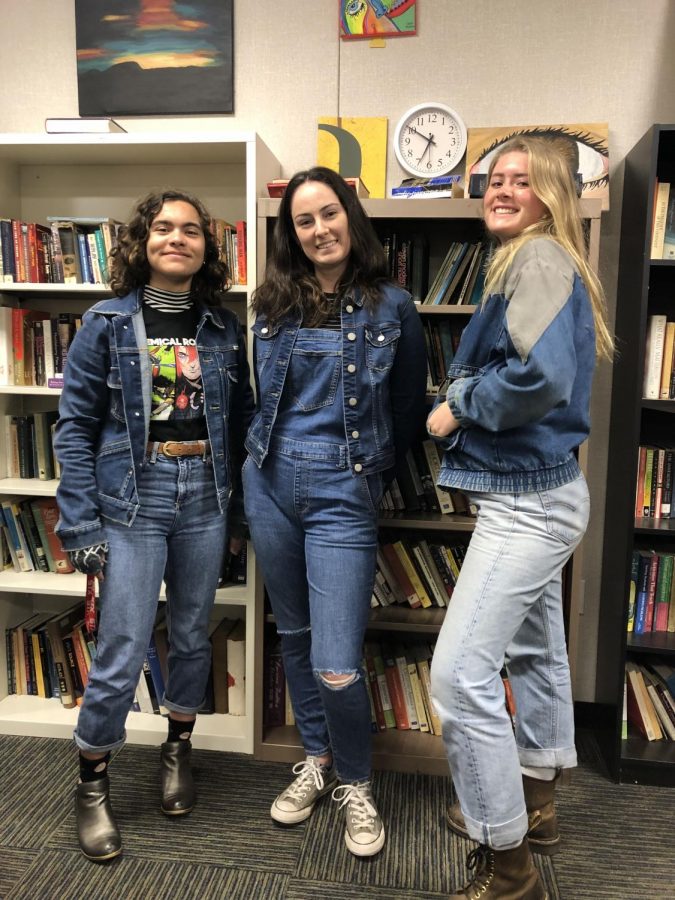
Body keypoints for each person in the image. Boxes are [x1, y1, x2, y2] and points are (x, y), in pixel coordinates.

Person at [426, 136, 613, 899]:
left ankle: (508, 866)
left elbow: (537, 376)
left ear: (551, 195)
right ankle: (534, 804)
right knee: (534, 655)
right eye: (492, 180)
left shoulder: (537, 259)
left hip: (530, 506)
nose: (500, 190)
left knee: (457, 677)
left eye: (520, 181)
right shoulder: (544, 257)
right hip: (544, 493)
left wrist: (455, 405)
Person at [54, 189, 255, 862]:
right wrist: (80, 522)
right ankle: (92, 784)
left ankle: (178, 749)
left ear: (206, 247)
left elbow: (243, 422)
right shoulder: (105, 323)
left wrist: (240, 512)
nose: (178, 238)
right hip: (134, 499)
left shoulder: (224, 327)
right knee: (121, 647)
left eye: (191, 230)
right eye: (163, 228)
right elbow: (75, 428)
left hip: (204, 496)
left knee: (193, 636)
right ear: (142, 243)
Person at [243, 166, 426, 857]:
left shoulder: (393, 307)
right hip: (268, 482)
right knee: (293, 635)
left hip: (343, 492)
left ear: (350, 217)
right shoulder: (271, 304)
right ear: (290, 234)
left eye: (328, 214)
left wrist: (371, 471)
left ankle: (356, 781)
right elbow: (254, 402)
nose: (319, 230)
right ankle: (316, 760)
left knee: (338, 661)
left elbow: (409, 406)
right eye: (303, 221)